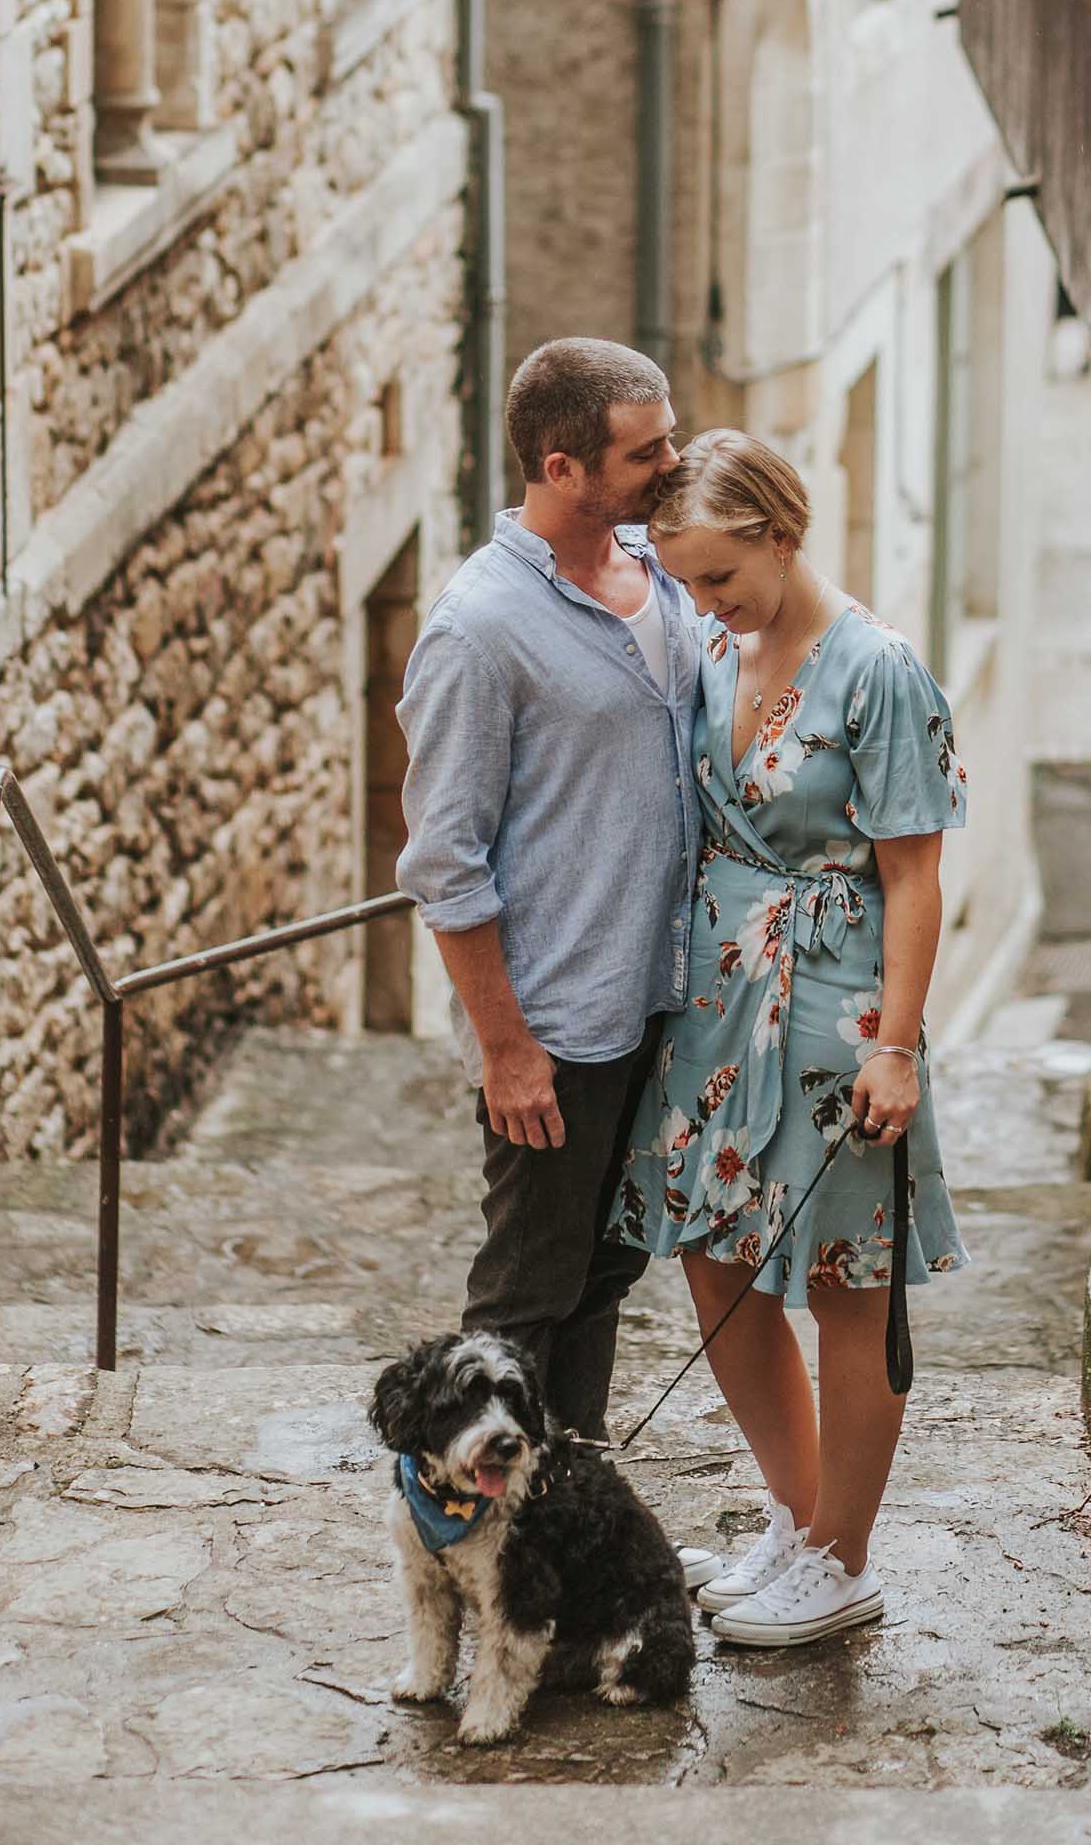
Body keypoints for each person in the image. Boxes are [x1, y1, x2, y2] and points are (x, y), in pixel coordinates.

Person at [610, 429, 969, 1649]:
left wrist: (897, 1046)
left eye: (720, 574)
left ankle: (844, 1559)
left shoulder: (879, 670)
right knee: (713, 1258)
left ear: (779, 532)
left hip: (836, 1001)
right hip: (718, 995)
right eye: (688, 579)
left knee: (840, 1284)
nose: (703, 602)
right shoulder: (719, 644)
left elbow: (915, 879)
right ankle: (795, 1516)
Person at [395, 337, 698, 1445]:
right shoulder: (478, 632)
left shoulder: (660, 567)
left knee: (606, 1271)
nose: (672, 461)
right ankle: (467, 1529)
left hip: (658, 1001)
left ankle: (568, 1503)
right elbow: (443, 859)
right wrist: (505, 1047)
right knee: (522, 1299)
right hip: (559, 1024)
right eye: (644, 449)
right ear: (560, 467)